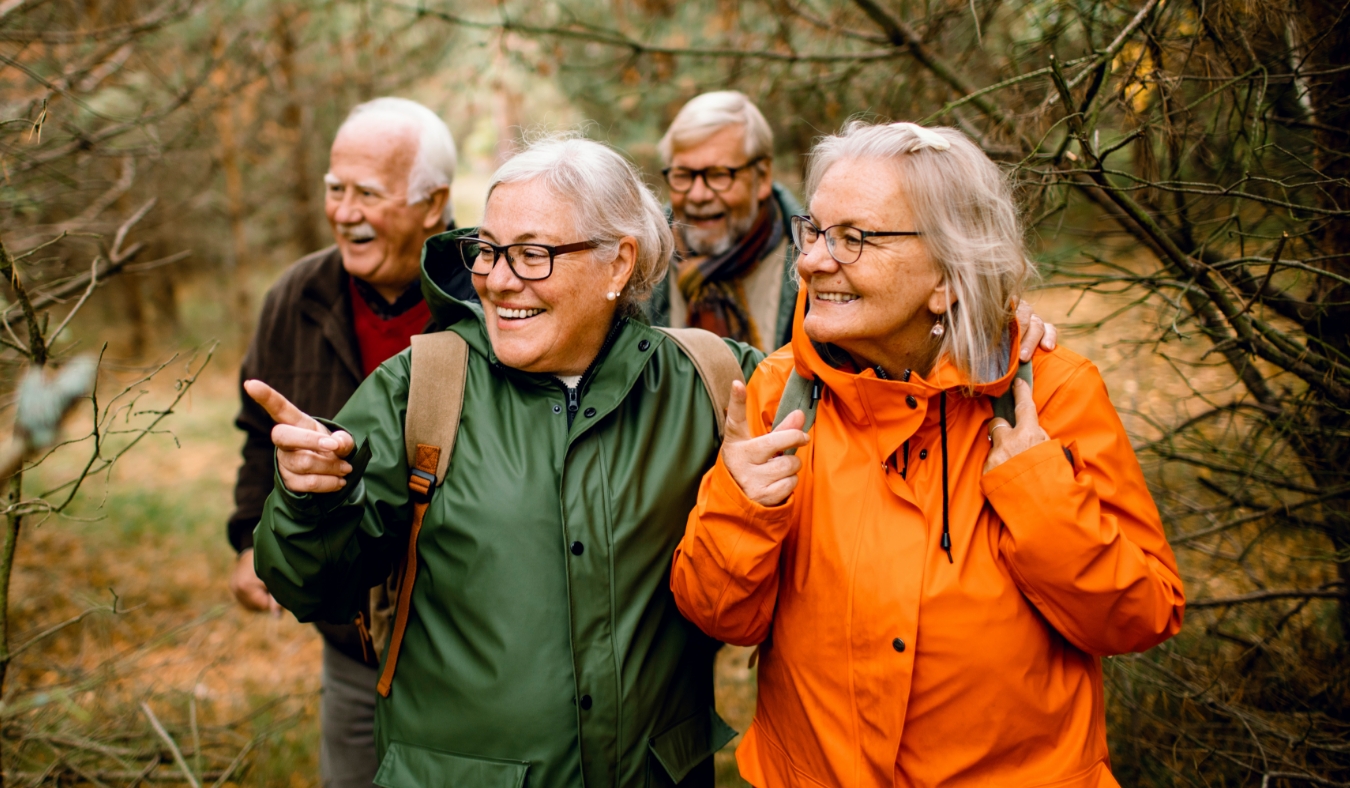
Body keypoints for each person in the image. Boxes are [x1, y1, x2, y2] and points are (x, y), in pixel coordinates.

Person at [670, 121, 1186, 787]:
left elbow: (1140, 616)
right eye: (814, 231)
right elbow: (719, 615)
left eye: (853, 239)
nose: (812, 260)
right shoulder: (779, 391)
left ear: (948, 275)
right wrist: (741, 509)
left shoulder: (1051, 394)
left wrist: (1038, 493)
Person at [246, 135, 763, 788]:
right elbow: (309, 587)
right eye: (488, 250)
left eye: (532, 254)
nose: (496, 278)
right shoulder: (423, 385)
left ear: (617, 264)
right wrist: (308, 500)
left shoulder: (712, 381)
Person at [225, 97, 470, 788]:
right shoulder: (296, 296)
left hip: (468, 631)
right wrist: (250, 538)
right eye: (336, 189)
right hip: (351, 633)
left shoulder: (491, 295)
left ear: (434, 205)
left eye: (369, 193)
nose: (344, 211)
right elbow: (256, 433)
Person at [648, 91, 802, 354]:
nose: (698, 195)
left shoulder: (812, 265)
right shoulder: (641, 268)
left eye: (718, 175)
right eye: (683, 175)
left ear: (762, 177)